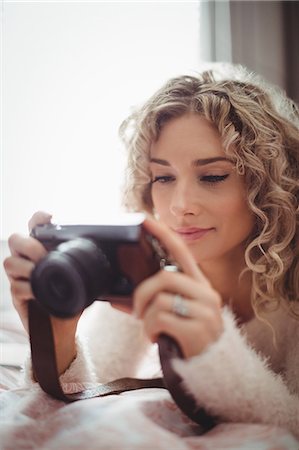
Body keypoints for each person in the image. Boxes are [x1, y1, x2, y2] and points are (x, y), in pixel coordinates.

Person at [3, 63, 299, 438]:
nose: (179, 205)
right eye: (163, 177)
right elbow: (84, 393)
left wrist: (213, 349)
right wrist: (55, 339)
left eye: (212, 176)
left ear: (267, 184)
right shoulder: (149, 265)